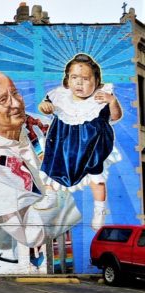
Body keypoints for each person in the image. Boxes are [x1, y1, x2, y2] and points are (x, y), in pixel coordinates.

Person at [0, 70, 81, 274]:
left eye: (15, 93)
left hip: (59, 260)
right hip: (14, 271)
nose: (16, 104)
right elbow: (33, 234)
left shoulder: (28, 124)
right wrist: (59, 192)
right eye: (3, 100)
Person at [38, 54, 122, 231]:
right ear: (67, 80)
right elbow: (44, 106)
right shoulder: (60, 96)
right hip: (62, 143)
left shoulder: (101, 98)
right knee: (52, 166)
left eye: (85, 79)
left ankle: (100, 209)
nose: (79, 83)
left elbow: (116, 117)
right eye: (74, 78)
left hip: (92, 144)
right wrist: (44, 107)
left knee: (96, 177)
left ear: (97, 80)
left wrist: (112, 101)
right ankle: (50, 195)